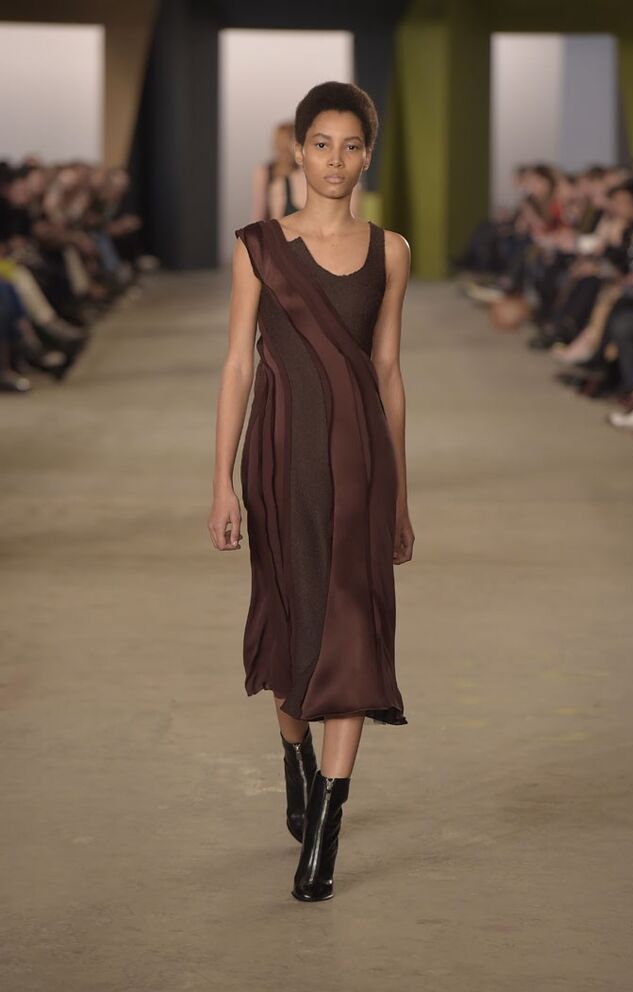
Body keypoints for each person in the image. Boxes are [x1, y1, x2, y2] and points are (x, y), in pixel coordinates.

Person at [208, 80, 414, 902]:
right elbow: (237, 365)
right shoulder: (259, 246)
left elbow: (388, 371)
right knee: (293, 621)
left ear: (368, 156)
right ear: (298, 151)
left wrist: (400, 495)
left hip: (361, 463)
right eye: (321, 144)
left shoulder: (390, 251)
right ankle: (294, 750)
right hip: (279, 460)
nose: (335, 159)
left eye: (351, 146)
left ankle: (326, 829)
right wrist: (221, 482)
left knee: (351, 624)